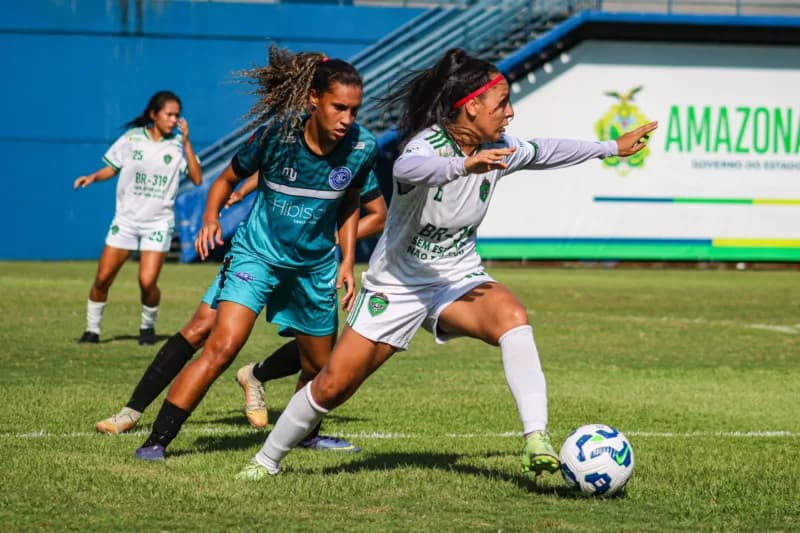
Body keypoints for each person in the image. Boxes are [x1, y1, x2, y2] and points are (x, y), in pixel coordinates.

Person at [236, 48, 658, 480]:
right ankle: (265, 461)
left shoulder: (498, 147)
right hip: (396, 284)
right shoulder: (429, 144)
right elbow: (409, 166)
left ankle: (536, 438)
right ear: (471, 106)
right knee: (332, 386)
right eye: (502, 104)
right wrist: (464, 164)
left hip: (456, 277)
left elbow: (546, 149)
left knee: (512, 317)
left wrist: (610, 147)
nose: (510, 113)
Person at [133, 47, 378, 461]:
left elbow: (351, 202)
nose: (347, 119)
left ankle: (302, 433)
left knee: (320, 366)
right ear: (313, 99)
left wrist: (347, 262)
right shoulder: (278, 136)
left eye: (354, 110)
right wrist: (211, 217)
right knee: (222, 344)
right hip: (257, 255)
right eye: (339, 108)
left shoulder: (362, 145)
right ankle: (156, 440)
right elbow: (225, 179)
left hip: (313, 267)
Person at [95, 170, 386, 453]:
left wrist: (323, 237)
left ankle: (278, 401)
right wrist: (242, 192)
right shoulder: (290, 142)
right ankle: (131, 412)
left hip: (307, 266)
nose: (345, 120)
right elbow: (269, 167)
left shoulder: (354, 155)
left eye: (351, 115)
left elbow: (378, 216)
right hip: (256, 254)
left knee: (317, 355)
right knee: (202, 329)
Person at [74, 91, 202, 345]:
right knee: (102, 279)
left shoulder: (178, 145)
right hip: (127, 221)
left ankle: (147, 328)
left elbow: (198, 179)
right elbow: (112, 167)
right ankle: (92, 330)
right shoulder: (132, 139)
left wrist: (187, 143)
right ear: (154, 115)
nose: (174, 119)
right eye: (169, 114)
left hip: (158, 222)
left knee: (147, 281)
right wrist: (92, 177)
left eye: (177, 115)